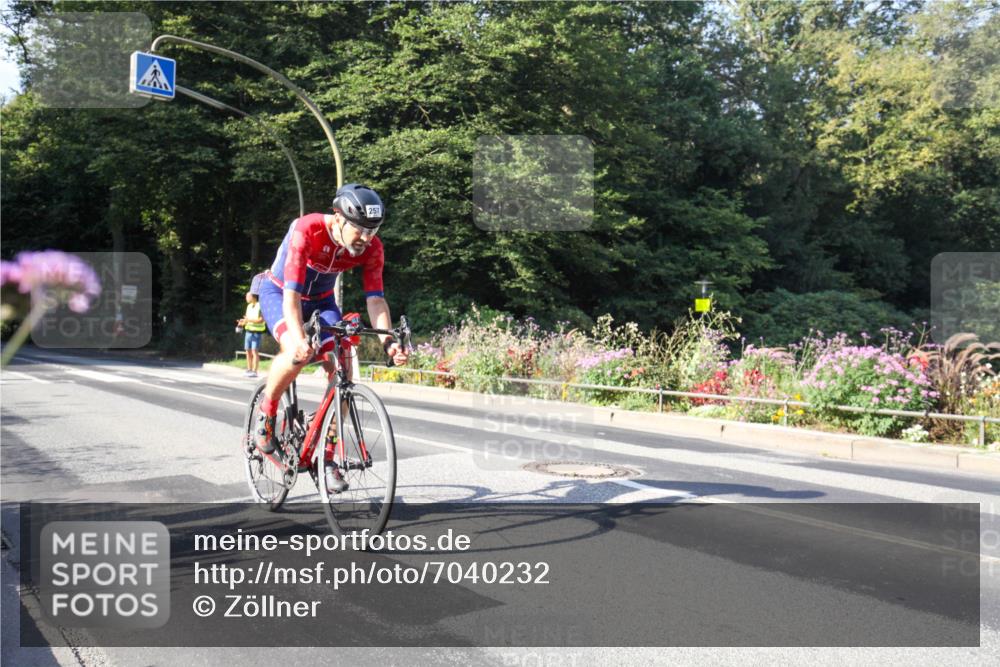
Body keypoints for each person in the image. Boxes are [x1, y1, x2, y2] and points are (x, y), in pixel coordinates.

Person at [254, 184, 409, 492]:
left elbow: (375, 299)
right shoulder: (307, 229)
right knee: (296, 354)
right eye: (361, 230)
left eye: (373, 230)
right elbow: (292, 296)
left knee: (344, 371)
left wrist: (389, 342)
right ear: (338, 219)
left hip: (323, 301)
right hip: (281, 292)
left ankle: (328, 457)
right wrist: (299, 339)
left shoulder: (373, 248)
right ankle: (267, 413)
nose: (366, 238)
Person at [238, 291, 266, 377]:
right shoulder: (249, 306)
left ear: (253, 297)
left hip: (257, 332)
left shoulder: (260, 306)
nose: (246, 298)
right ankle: (249, 369)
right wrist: (241, 323)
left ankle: (254, 371)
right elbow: (247, 319)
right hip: (248, 331)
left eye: (247, 296)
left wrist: (248, 320)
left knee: (254, 351)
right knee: (248, 351)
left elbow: (261, 320)